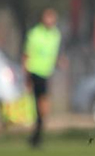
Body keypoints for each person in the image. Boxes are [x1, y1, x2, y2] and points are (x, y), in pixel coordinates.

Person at [23, 8, 64, 148]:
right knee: (37, 104)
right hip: (35, 71)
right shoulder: (34, 34)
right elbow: (26, 55)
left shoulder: (56, 35)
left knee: (43, 106)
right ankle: (37, 133)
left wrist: (59, 61)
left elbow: (53, 54)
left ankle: (37, 133)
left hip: (47, 73)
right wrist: (26, 75)